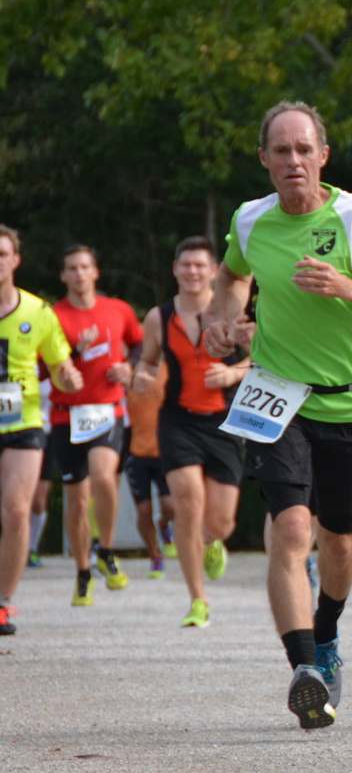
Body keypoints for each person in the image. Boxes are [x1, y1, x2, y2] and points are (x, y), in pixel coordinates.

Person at [204, 103, 352, 725]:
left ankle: (328, 632)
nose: (293, 162)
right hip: (276, 394)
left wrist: (347, 288)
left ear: (323, 155)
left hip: (350, 398)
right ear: (264, 159)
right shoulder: (250, 219)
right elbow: (231, 277)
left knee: (338, 540)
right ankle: (305, 668)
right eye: (280, 151)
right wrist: (220, 315)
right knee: (289, 530)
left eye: (303, 150)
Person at [135, 236, 252, 627]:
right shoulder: (158, 317)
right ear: (175, 269)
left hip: (225, 421)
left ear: (214, 271)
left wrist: (233, 371)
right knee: (187, 503)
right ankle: (198, 600)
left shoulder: (233, 313)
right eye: (185, 264)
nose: (192, 272)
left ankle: (214, 542)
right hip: (178, 420)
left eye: (200, 265)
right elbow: (149, 363)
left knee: (220, 522)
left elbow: (263, 359)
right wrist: (138, 375)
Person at [47, 246, 144, 605]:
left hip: (107, 410)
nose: (79, 274)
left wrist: (130, 367)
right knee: (76, 501)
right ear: (63, 275)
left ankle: (106, 550)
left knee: (105, 477)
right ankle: (82, 570)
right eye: (72, 268)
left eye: (85, 266)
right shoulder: (53, 315)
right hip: (65, 414)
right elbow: (44, 368)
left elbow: (138, 343)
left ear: (96, 272)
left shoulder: (117, 309)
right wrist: (73, 353)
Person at [0, 225, 83, 635]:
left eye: (2, 254)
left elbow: (60, 367)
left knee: (16, 511)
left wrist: (68, 377)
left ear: (15, 260)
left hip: (22, 421)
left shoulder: (37, 312)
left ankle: (2, 601)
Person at [121, 364, 173, 579]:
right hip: (137, 454)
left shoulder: (169, 368)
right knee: (143, 511)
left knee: (170, 506)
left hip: (165, 453)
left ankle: (164, 524)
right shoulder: (128, 370)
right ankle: (155, 556)